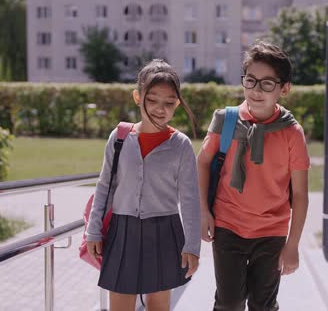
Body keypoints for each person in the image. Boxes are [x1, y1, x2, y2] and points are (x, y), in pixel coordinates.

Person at [197, 41, 310, 311]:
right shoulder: (225, 120)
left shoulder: (292, 133)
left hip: (271, 231)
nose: (257, 90)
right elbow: (202, 164)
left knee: (263, 304)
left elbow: (301, 195)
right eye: (251, 81)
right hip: (228, 225)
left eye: (267, 84)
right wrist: (203, 212)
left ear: (284, 88)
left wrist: (293, 244)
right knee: (230, 302)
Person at [86, 59, 201, 311]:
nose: (160, 108)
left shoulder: (180, 145)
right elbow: (104, 186)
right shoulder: (119, 138)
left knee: (159, 307)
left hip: (165, 232)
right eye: (152, 100)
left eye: (169, 102)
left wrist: (192, 245)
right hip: (122, 230)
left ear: (177, 104)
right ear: (138, 97)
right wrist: (93, 230)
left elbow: (191, 199)